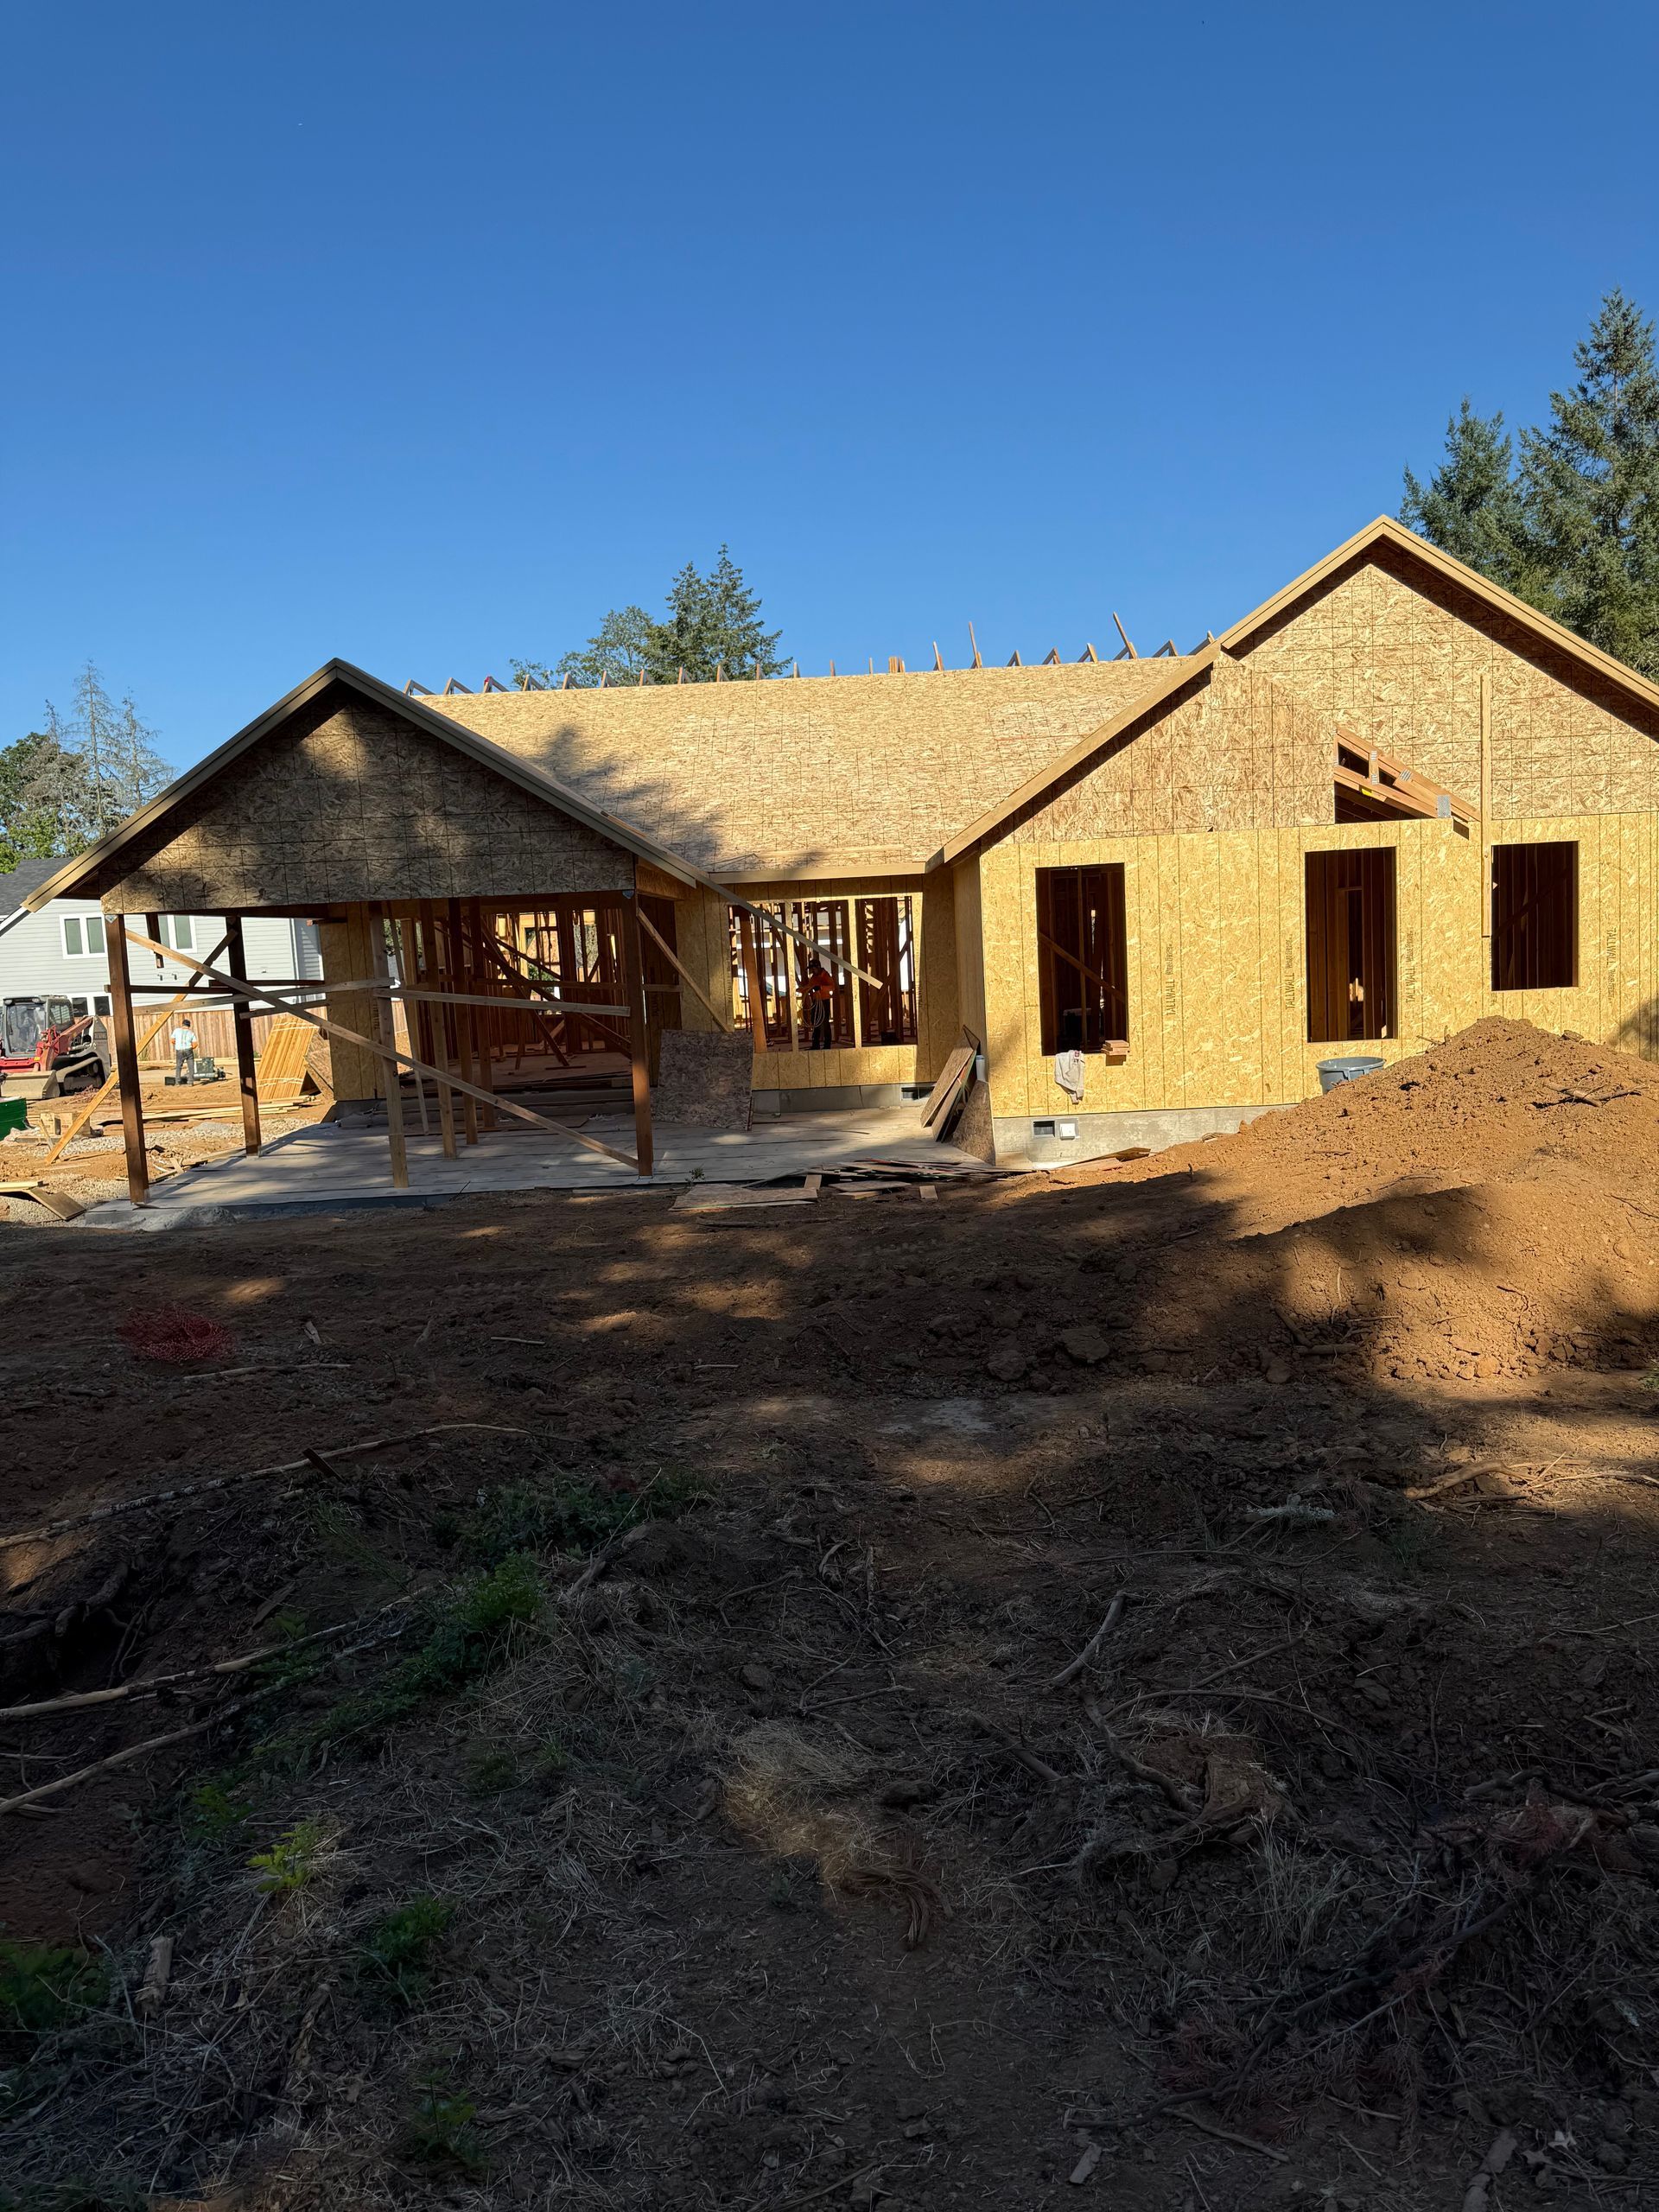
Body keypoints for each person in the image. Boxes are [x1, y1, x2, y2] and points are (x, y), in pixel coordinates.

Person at [803, 956, 836, 1050]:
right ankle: (815, 1044)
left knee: (825, 1023)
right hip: (816, 1002)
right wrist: (802, 990)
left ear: (817, 968)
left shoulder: (825, 975)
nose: (812, 971)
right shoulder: (814, 977)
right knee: (815, 1022)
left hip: (824, 1001)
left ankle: (827, 1045)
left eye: (813, 969)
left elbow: (832, 987)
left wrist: (821, 987)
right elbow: (810, 986)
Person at [171, 1015, 198, 1084]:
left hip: (179, 1051)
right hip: (188, 1050)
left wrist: (179, 1045)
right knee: (191, 1067)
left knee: (179, 1066)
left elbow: (172, 1040)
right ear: (189, 1026)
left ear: (182, 1025)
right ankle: (190, 1082)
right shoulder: (191, 1033)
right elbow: (195, 1045)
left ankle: (177, 1082)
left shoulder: (176, 1030)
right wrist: (190, 1048)